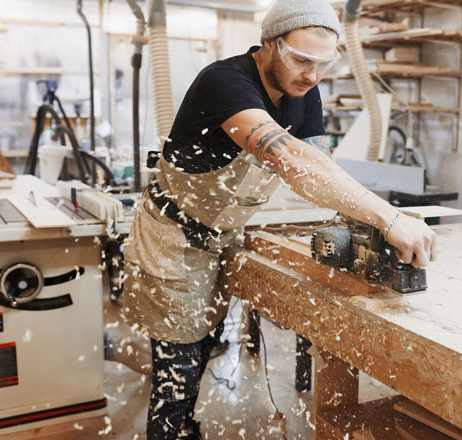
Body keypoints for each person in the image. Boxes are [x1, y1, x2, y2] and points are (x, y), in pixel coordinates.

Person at [123, 0, 438, 438]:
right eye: (301, 60)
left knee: (208, 343)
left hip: (225, 234)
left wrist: (361, 220)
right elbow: (291, 159)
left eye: (323, 65)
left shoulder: (304, 92)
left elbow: (319, 164)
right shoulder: (225, 82)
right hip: (174, 237)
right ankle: (171, 430)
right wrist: (388, 217)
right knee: (178, 371)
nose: (312, 76)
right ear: (269, 45)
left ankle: (185, 427)